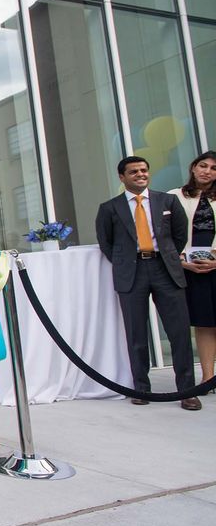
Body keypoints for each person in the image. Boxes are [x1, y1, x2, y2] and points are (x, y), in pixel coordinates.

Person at [95, 155, 201, 410]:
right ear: (122, 177)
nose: (140, 175)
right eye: (133, 172)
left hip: (165, 270)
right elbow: (106, 243)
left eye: (144, 170)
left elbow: (178, 236)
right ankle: (141, 388)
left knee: (178, 333)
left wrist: (166, 257)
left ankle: (187, 391)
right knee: (136, 335)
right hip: (132, 273)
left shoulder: (168, 201)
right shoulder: (110, 208)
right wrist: (125, 262)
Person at [170, 151, 216, 390]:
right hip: (192, 267)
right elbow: (164, 235)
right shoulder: (174, 196)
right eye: (203, 165)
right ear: (193, 167)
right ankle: (208, 379)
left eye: (213, 168)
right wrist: (180, 261)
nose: (207, 171)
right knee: (206, 322)